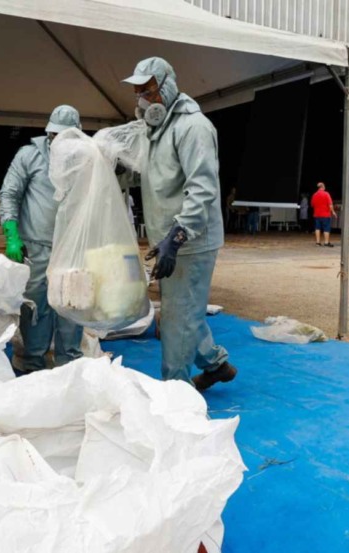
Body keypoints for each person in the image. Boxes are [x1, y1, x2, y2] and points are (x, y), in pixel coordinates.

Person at [121, 56, 237, 390]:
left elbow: (203, 188)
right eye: (138, 93)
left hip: (190, 238)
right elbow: (151, 176)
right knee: (185, 309)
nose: (143, 100)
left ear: (168, 87)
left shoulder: (193, 127)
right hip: (169, 238)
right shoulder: (157, 131)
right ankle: (216, 364)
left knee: (176, 317)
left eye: (148, 91)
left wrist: (178, 235)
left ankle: (176, 393)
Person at [0, 105, 84, 373]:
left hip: (73, 246)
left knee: (72, 303)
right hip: (36, 246)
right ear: (49, 133)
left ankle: (69, 362)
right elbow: (10, 193)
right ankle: (32, 361)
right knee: (36, 305)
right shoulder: (30, 155)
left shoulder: (86, 159)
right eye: (56, 135)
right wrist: (11, 234)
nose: (60, 141)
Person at [311, 182, 336, 247]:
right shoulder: (326, 194)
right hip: (325, 215)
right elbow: (330, 204)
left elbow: (312, 205)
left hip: (317, 215)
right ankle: (326, 242)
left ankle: (318, 242)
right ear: (323, 187)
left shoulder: (314, 195)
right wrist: (333, 212)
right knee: (326, 228)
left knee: (317, 228)